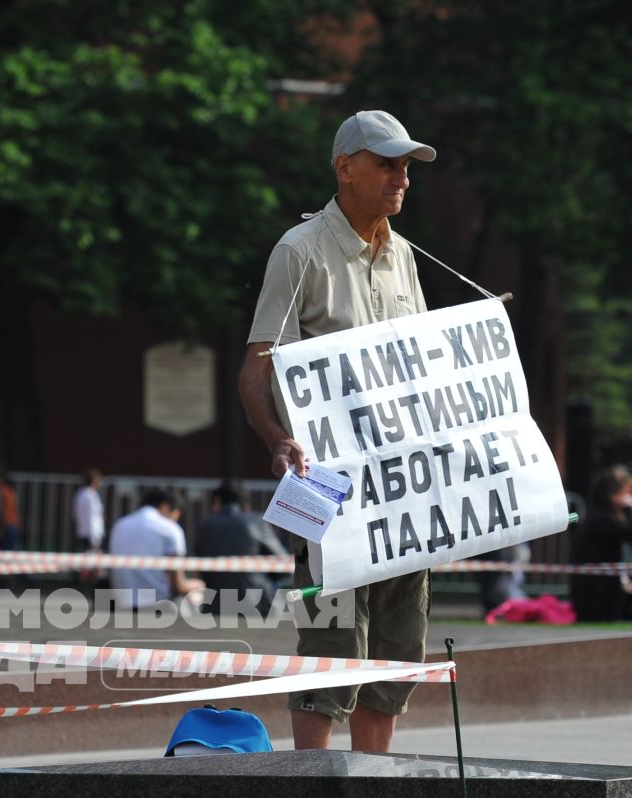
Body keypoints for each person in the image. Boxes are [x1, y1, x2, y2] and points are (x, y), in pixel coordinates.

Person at [236, 108, 437, 753]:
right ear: (344, 168)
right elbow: (254, 371)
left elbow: (423, 368)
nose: (400, 178)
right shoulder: (299, 252)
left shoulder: (404, 255)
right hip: (325, 482)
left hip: (401, 484)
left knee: (400, 645)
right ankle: (315, 790)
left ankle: (374, 787)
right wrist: (277, 440)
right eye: (386, 164)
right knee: (330, 641)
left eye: (405, 167)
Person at [194, 484, 293, 617]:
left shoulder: (203, 527)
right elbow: (283, 565)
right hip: (259, 604)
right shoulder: (256, 522)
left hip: (215, 606)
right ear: (245, 502)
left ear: (217, 500)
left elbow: (200, 568)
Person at [572, 465, 632, 621]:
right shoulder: (603, 521)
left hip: (596, 589)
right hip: (598, 594)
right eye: (626, 492)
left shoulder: (595, 518)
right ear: (614, 495)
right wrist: (631, 508)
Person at [107, 487, 203, 606]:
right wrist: (198, 584)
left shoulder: (120, 525)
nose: (174, 520)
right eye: (175, 515)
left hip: (121, 603)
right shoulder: (170, 529)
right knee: (198, 591)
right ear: (166, 506)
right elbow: (178, 585)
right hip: (158, 605)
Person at [72, 469, 106, 554]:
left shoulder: (81, 494)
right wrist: (94, 541)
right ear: (94, 480)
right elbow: (92, 517)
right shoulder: (90, 495)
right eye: (98, 479)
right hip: (91, 534)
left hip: (84, 532)